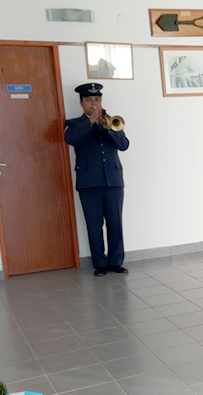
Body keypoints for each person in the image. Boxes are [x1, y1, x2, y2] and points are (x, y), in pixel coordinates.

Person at [65, 83, 130, 277]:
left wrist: (108, 129)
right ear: (81, 103)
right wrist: (90, 122)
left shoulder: (111, 121)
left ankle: (116, 262)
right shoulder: (74, 123)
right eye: (89, 100)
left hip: (113, 180)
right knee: (93, 225)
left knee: (115, 223)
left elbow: (124, 145)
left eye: (97, 99)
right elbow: (71, 139)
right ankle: (100, 264)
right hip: (88, 183)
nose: (94, 103)